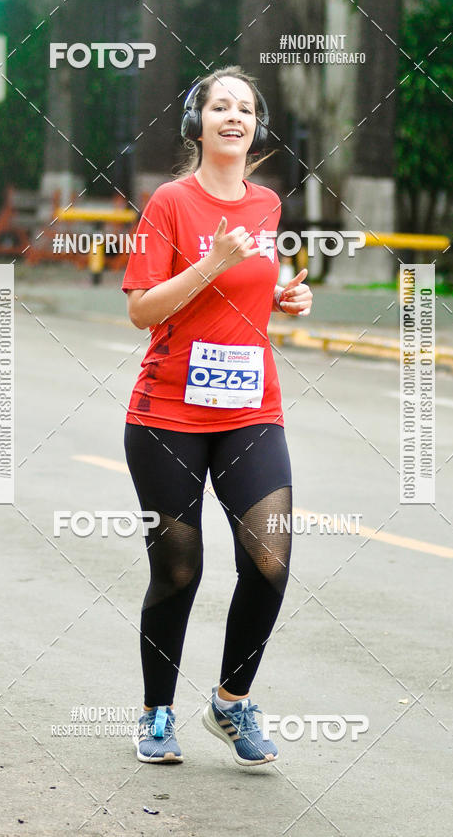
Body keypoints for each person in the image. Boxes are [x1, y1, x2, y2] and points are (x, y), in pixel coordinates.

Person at [121, 65, 312, 766]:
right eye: (220, 107)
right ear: (195, 124)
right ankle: (156, 714)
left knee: (270, 558)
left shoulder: (266, 204)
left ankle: (231, 703)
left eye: (246, 109)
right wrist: (211, 263)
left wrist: (284, 299)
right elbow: (142, 308)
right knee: (178, 570)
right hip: (167, 414)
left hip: (251, 409)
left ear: (256, 128)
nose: (234, 117)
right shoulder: (170, 202)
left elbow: (246, 291)